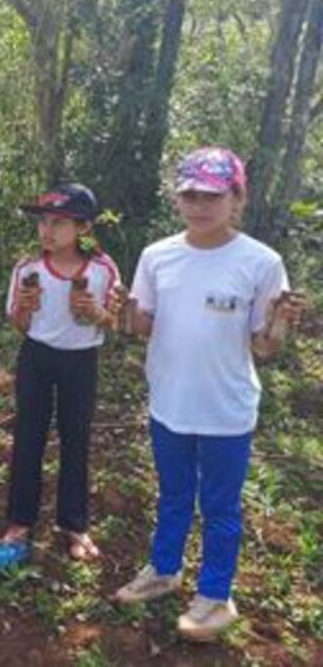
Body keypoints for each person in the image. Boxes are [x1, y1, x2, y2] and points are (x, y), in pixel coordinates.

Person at [113, 148, 306, 641]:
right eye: (189, 195)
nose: (199, 205)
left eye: (212, 196)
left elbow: (263, 346)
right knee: (174, 494)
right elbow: (142, 326)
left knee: (220, 507)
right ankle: (163, 569)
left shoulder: (261, 262)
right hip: (169, 401)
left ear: (237, 198)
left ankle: (216, 595)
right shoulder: (158, 255)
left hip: (226, 409)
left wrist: (281, 325)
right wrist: (121, 313)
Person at [0, 184, 121, 571]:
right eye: (43, 222)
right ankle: (20, 521)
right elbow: (19, 324)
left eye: (59, 223)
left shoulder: (101, 270)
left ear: (84, 227)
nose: (47, 231)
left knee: (76, 437)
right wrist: (24, 310)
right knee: (29, 435)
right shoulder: (27, 269)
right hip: (37, 357)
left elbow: (115, 322)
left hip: (81, 359)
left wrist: (97, 314)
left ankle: (74, 524)